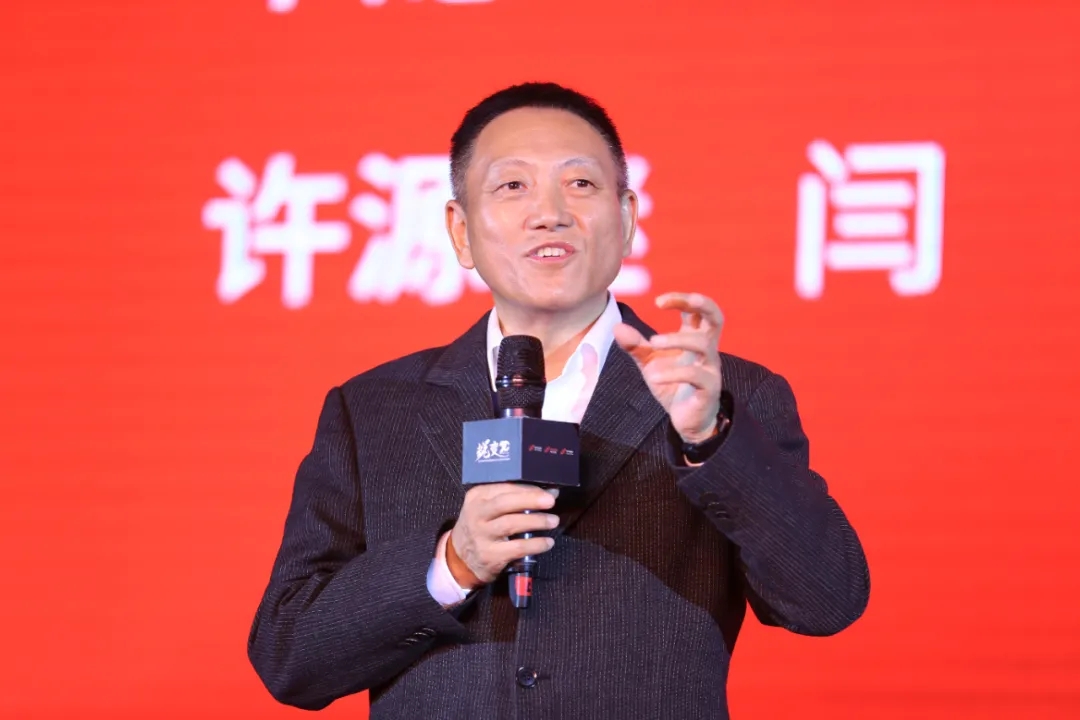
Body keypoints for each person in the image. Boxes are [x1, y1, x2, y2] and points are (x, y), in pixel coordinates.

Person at [247, 81, 870, 719]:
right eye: (512, 185)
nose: (550, 213)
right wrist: (451, 565)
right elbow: (289, 654)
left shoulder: (723, 397)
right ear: (461, 231)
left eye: (581, 184)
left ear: (627, 220)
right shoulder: (375, 410)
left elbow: (826, 601)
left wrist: (710, 440)